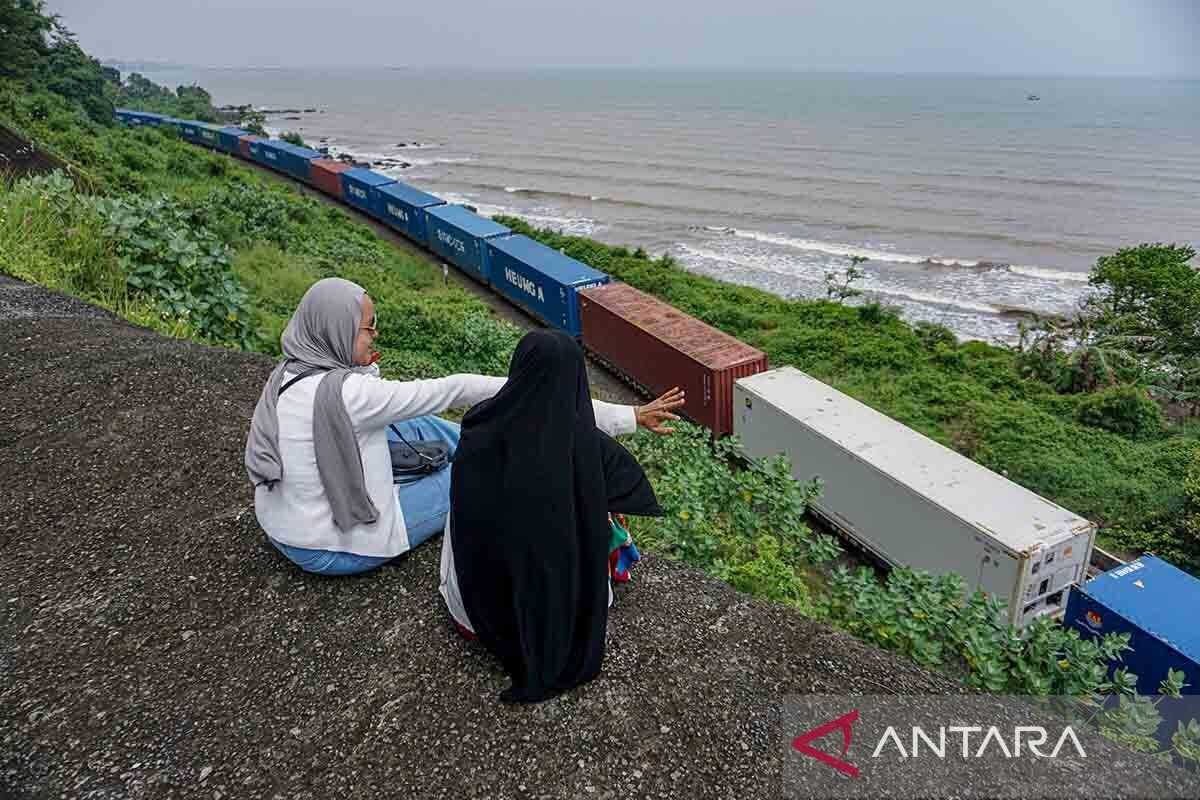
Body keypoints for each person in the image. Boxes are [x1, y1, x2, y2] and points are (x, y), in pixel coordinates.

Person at [245, 277, 684, 576]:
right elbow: (457, 388)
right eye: (366, 329)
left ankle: (500, 447)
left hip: (284, 528)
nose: (374, 336)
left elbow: (383, 409)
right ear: (334, 330)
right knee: (487, 471)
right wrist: (622, 416)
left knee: (420, 422)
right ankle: (550, 472)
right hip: (337, 547)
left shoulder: (293, 371)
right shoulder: (352, 395)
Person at [441, 330, 671, 704]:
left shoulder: (479, 427)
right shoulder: (585, 447)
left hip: (470, 613)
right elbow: (627, 484)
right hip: (543, 630)